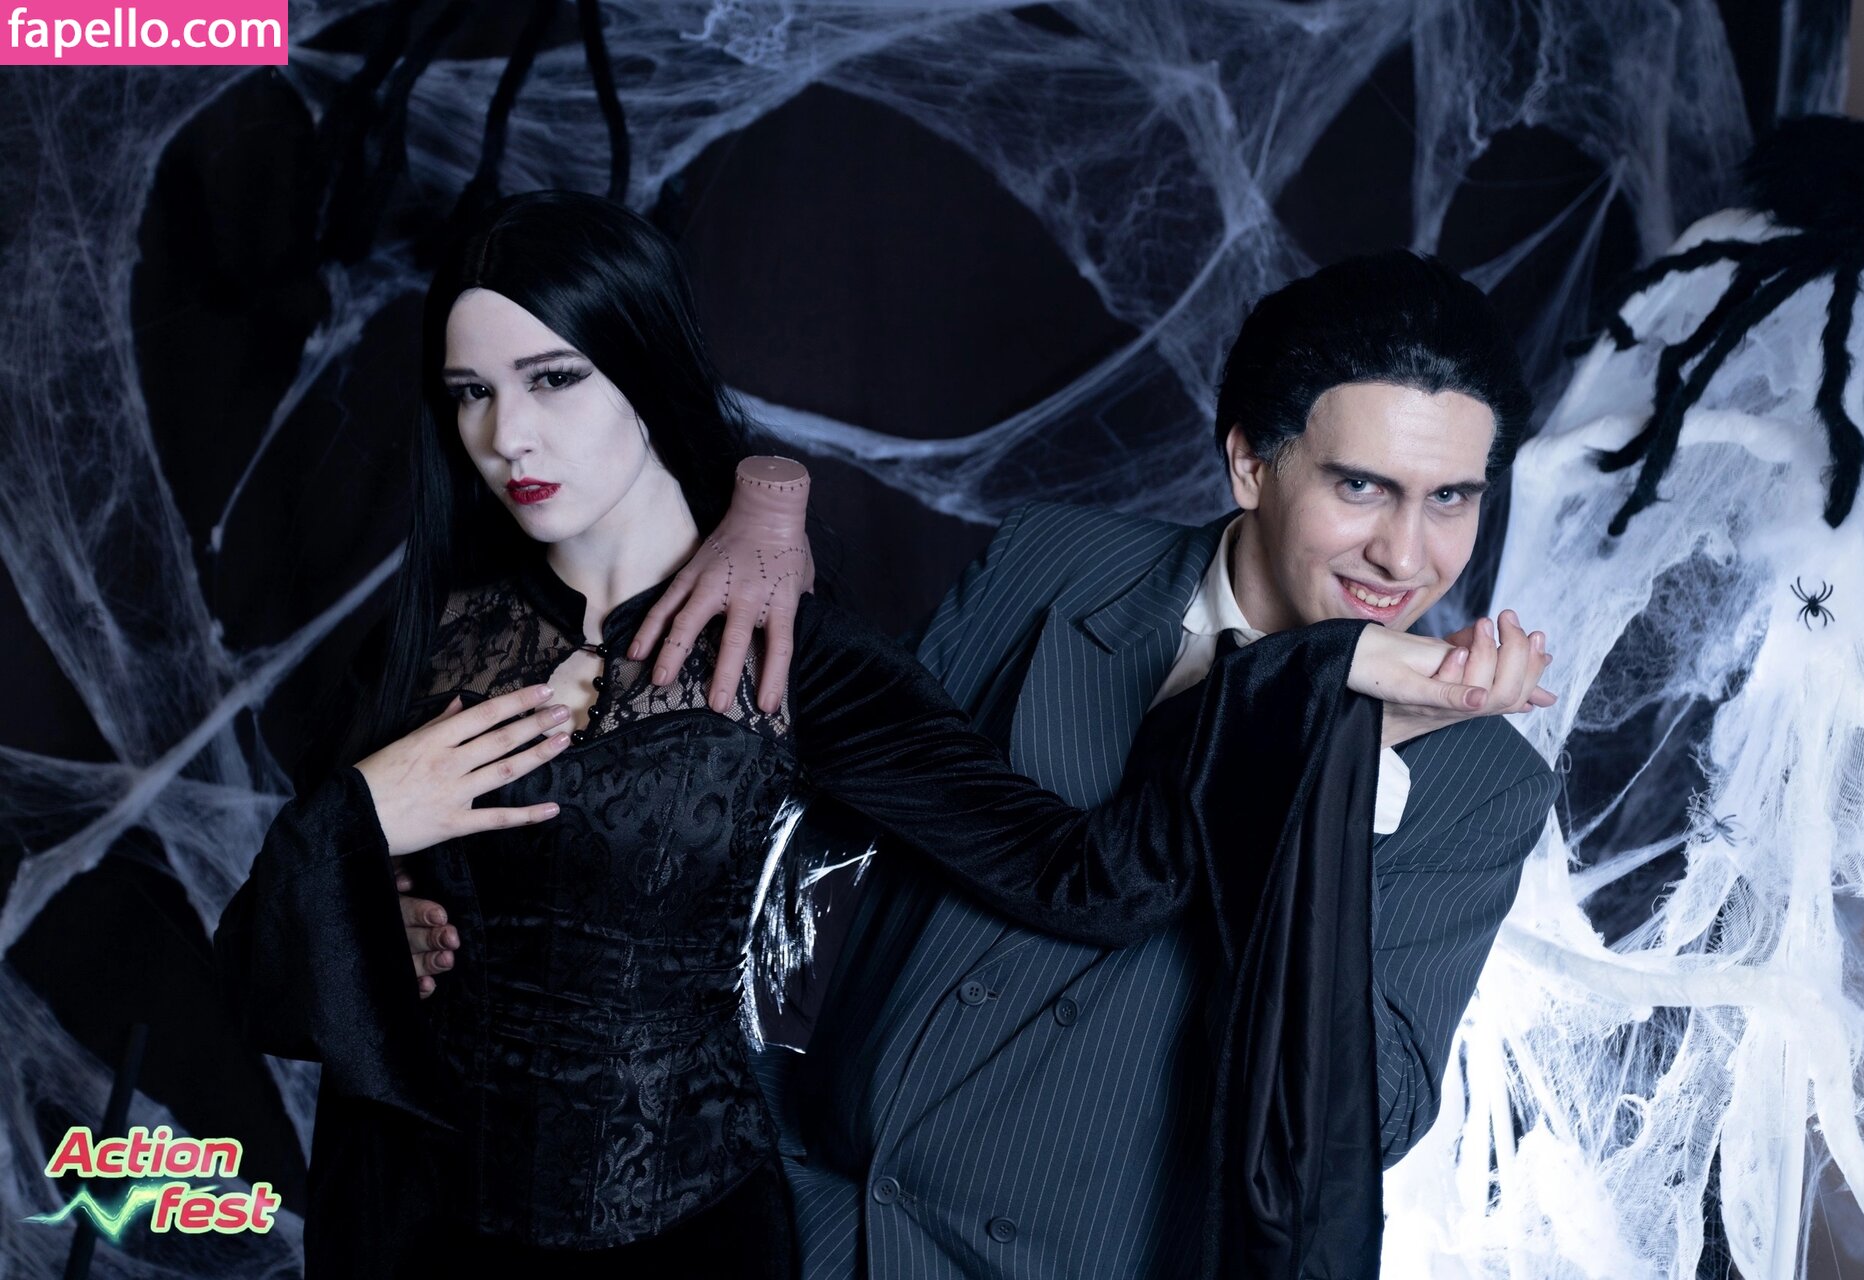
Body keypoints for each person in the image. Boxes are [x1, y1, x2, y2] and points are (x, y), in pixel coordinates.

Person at [213, 195, 1507, 1280]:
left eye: (554, 380)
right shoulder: (434, 636)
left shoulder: (804, 655)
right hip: (471, 1224)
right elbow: (279, 972)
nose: (509, 436)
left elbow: (1107, 891)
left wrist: (1312, 702)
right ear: (1251, 465)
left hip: (748, 1237)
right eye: (471, 393)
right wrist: (360, 851)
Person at [626, 250, 1561, 1278]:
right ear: (1251, 464)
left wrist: (1337, 771)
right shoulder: (1052, 561)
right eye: (1362, 486)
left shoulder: (1486, 783)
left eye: (1450, 498)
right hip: (807, 1227)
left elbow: (1361, 1126)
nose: (1405, 554)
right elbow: (834, 828)